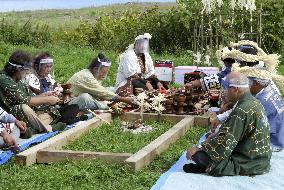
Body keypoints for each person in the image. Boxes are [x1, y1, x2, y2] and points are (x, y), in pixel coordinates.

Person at [184, 72, 271, 176]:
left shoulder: (242, 110)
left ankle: (212, 167)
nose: (224, 92)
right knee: (212, 137)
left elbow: (224, 144)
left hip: (249, 163)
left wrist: (200, 147)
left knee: (197, 155)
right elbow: (235, 131)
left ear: (235, 89)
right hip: (260, 159)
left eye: (226, 88)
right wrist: (216, 135)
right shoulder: (253, 102)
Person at [0, 50, 65, 138]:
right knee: (22, 107)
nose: (27, 73)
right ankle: (48, 128)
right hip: (10, 117)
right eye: (26, 70)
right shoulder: (3, 79)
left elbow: (31, 97)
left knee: (51, 111)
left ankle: (32, 130)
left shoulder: (18, 80)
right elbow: (23, 100)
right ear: (17, 69)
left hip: (24, 118)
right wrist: (47, 100)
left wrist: (45, 95)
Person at [235, 64, 284, 151]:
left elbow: (244, 123)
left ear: (256, 84)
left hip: (273, 142)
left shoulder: (261, 101)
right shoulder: (269, 88)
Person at [67, 53, 133, 110]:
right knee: (85, 97)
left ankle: (105, 104)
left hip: (87, 97)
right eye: (103, 72)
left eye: (106, 72)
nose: (105, 75)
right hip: (70, 103)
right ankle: (106, 106)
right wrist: (125, 100)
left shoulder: (93, 75)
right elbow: (102, 93)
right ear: (95, 69)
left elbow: (99, 91)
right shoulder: (86, 77)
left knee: (112, 89)